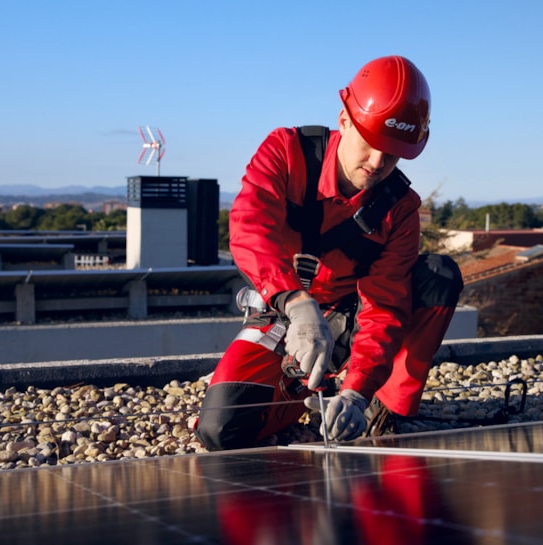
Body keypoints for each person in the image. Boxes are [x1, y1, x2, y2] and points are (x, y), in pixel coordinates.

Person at [195, 55, 463, 451]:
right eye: (371, 145)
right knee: (219, 430)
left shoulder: (400, 208)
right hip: (283, 310)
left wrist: (357, 391)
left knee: (438, 276)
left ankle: (379, 409)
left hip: (350, 317)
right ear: (344, 121)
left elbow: (385, 306)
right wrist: (298, 304)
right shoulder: (286, 152)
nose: (377, 163)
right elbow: (250, 228)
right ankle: (299, 393)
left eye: (393, 154)